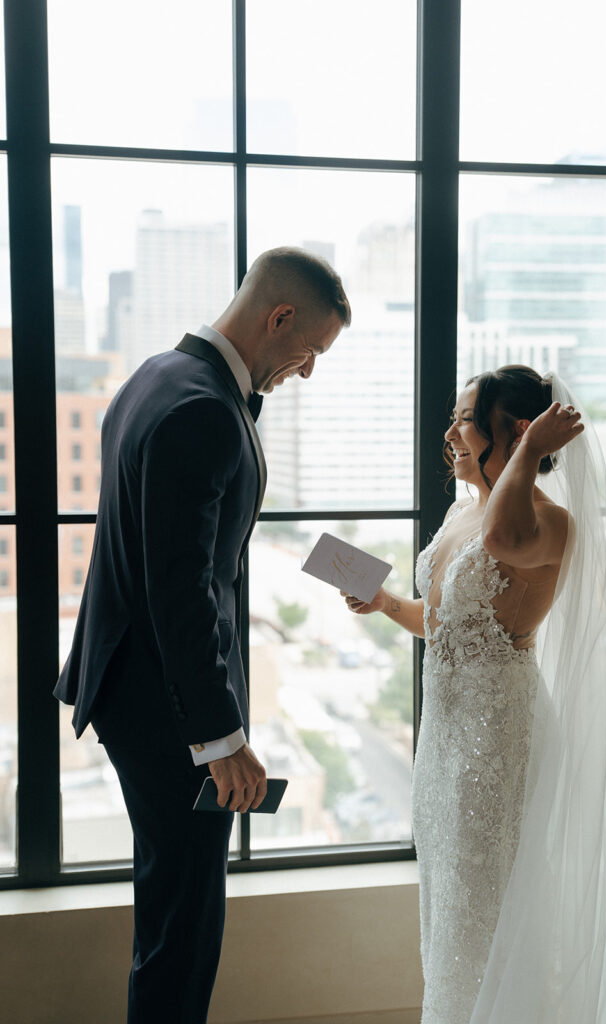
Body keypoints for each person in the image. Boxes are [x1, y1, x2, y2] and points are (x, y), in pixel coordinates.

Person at [55, 247, 351, 1024]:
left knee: (172, 911)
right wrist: (220, 737)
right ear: (278, 316)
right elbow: (177, 590)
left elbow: (176, 555)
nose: (307, 371)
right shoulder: (204, 409)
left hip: (134, 688)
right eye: (310, 351)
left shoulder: (157, 374)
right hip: (165, 710)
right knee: (184, 924)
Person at [344, 366, 606, 1023]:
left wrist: (527, 453)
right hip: (443, 747)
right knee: (450, 911)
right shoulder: (459, 513)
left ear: (516, 431)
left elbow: (504, 541)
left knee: (486, 909)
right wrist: (385, 601)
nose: (450, 433)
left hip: (496, 745)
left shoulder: (551, 524)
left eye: (466, 420)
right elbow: (448, 625)